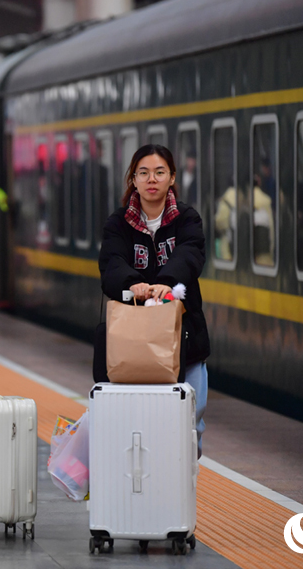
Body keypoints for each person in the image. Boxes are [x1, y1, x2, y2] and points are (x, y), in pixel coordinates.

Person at [98, 144, 210, 458]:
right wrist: (134, 284)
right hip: (134, 343)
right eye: (143, 173)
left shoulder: (188, 219)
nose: (152, 179)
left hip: (185, 337)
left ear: (172, 178)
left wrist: (164, 284)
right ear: (133, 180)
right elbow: (111, 263)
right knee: (141, 423)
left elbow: (190, 255)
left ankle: (184, 476)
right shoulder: (118, 223)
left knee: (192, 419)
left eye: (160, 172)